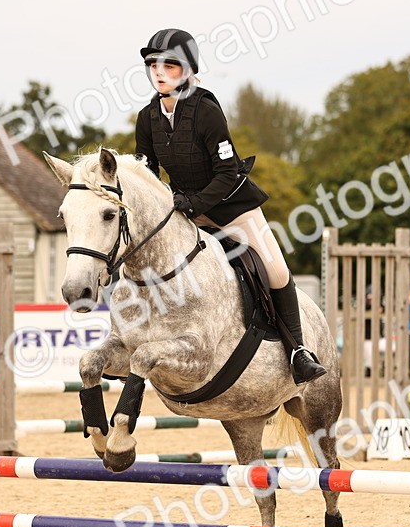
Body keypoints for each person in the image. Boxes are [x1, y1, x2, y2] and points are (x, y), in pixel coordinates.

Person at [133, 28, 324, 384]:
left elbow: (227, 172)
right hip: (184, 210)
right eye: (153, 65)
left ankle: (298, 352)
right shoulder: (147, 118)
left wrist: (193, 204)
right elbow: (146, 172)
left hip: (232, 206)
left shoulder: (206, 111)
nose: (159, 72)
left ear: (187, 70)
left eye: (169, 65)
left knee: (276, 270)